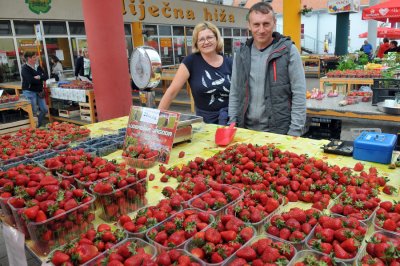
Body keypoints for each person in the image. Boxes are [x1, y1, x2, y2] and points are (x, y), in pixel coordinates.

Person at [228, 2, 306, 136]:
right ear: (249, 25)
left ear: (274, 23)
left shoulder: (288, 51)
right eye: (256, 24)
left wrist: (295, 130)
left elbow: (299, 93)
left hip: (279, 131)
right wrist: (232, 123)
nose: (261, 30)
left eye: (266, 24)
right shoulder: (241, 53)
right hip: (244, 129)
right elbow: (235, 91)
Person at [158, 22, 232, 125]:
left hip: (230, 121)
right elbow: (171, 92)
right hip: (205, 123)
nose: (206, 42)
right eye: (201, 39)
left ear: (217, 39)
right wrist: (158, 120)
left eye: (209, 37)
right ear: (196, 43)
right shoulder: (190, 62)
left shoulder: (230, 62)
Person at [21, 51, 48, 128]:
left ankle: (38, 124)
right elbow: (31, 80)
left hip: (39, 91)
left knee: (44, 109)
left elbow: (46, 76)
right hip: (29, 91)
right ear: (29, 58)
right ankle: (34, 127)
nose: (36, 58)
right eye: (34, 57)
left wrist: (39, 77)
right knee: (34, 111)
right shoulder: (25, 68)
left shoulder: (37, 66)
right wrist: (40, 77)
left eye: (35, 57)